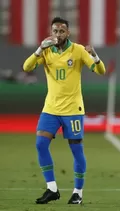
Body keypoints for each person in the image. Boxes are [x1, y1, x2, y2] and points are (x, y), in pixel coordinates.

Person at [22, 17, 106, 204]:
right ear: (51, 32)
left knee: (76, 150)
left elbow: (101, 71)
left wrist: (95, 56)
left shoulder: (77, 50)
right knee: (40, 144)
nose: (58, 35)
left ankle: (78, 192)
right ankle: (52, 188)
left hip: (73, 110)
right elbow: (26, 67)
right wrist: (39, 49)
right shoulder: (45, 52)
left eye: (61, 31)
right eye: (55, 31)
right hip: (50, 108)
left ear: (68, 33)